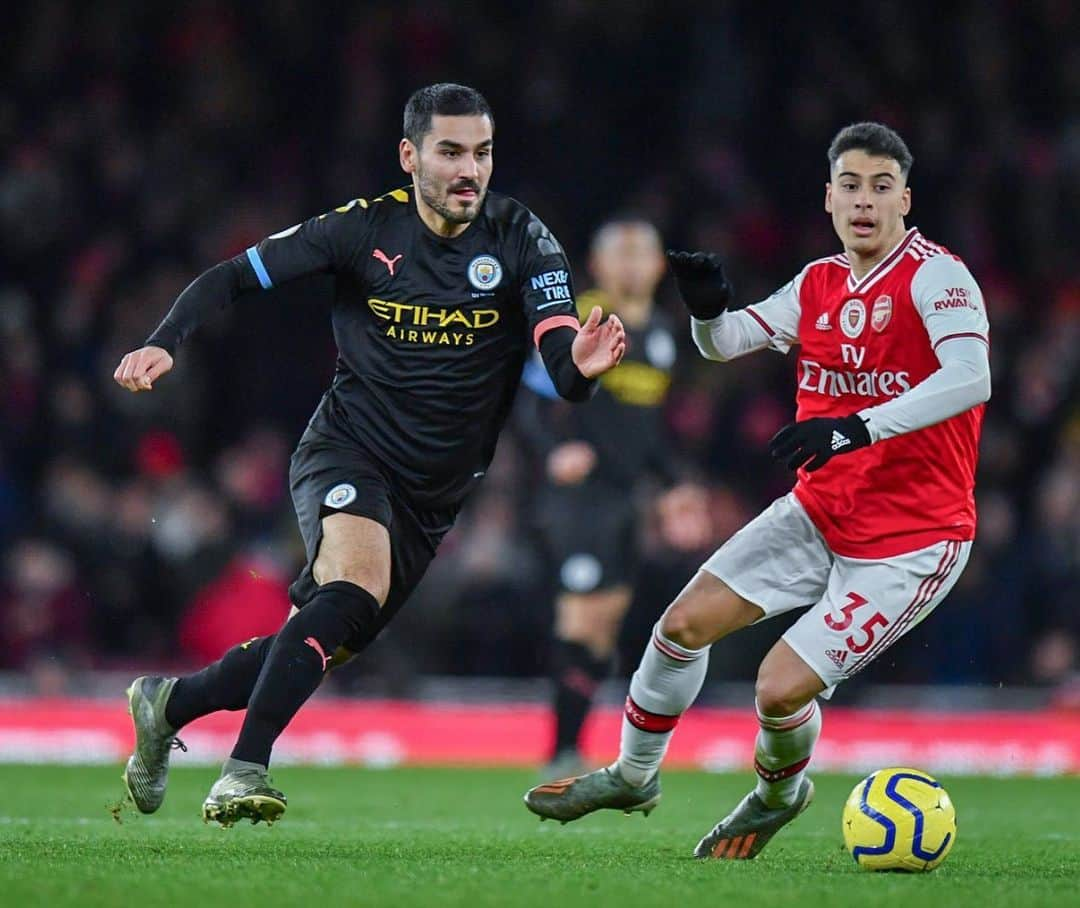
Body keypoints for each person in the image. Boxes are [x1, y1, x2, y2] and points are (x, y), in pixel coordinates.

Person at [113, 83, 626, 827]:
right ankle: (242, 770)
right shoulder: (361, 229)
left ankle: (169, 704)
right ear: (410, 155)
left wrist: (580, 363)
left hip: (435, 492)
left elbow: (560, 361)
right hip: (348, 449)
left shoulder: (522, 237)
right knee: (351, 588)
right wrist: (163, 340)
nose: (469, 171)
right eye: (450, 152)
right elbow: (231, 277)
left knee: (328, 634)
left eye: (481, 153)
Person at [524, 122, 991, 860]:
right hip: (821, 511)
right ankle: (633, 775)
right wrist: (709, 309)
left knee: (777, 689)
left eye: (879, 186)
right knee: (680, 626)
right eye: (850, 185)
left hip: (914, 538)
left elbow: (971, 378)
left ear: (905, 197)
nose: (864, 201)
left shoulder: (938, 276)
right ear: (829, 197)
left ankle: (778, 795)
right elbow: (728, 342)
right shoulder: (819, 282)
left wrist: (856, 427)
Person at [516, 216, 691, 777]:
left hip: (624, 502)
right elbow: (529, 400)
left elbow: (650, 431)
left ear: (660, 265)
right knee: (580, 618)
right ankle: (559, 750)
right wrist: (553, 450)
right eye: (623, 253)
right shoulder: (578, 321)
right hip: (578, 500)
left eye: (644, 253)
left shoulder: (663, 334)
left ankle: (572, 743)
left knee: (604, 628)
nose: (634, 263)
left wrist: (674, 486)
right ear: (598, 264)